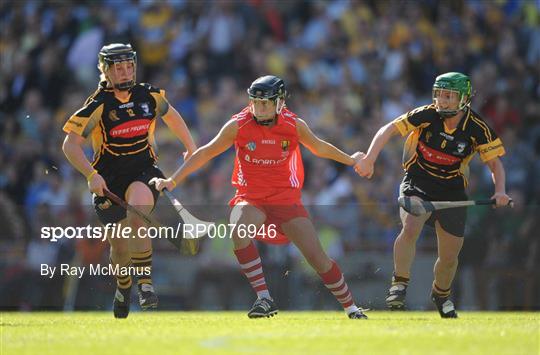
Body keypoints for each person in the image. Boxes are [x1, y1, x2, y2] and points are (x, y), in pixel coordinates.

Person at [152, 75, 367, 319]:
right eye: (255, 102)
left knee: (318, 259)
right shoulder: (238, 124)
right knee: (238, 227)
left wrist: (352, 160)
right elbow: (206, 153)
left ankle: (351, 307)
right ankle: (264, 298)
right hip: (251, 197)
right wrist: (172, 180)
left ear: (279, 102)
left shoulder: (294, 125)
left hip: (285, 199)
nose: (259, 108)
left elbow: (319, 147)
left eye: (265, 103)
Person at [354, 72, 511, 318]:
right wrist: (370, 159)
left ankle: (441, 294)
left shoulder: (477, 128)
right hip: (418, 180)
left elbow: (495, 165)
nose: (443, 101)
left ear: (464, 98)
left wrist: (500, 191)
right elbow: (388, 129)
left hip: (452, 190)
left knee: (449, 256)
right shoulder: (427, 114)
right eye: (439, 94)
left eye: (449, 96)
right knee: (411, 225)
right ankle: (399, 283)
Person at [62, 43, 197, 318]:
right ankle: (123, 287)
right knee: (119, 249)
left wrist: (191, 146)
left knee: (138, 215)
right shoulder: (97, 105)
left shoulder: (149, 95)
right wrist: (91, 174)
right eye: (118, 67)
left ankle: (145, 285)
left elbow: (171, 115)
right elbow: (70, 146)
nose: (125, 72)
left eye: (129, 66)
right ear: (106, 71)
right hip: (108, 180)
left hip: (144, 171)